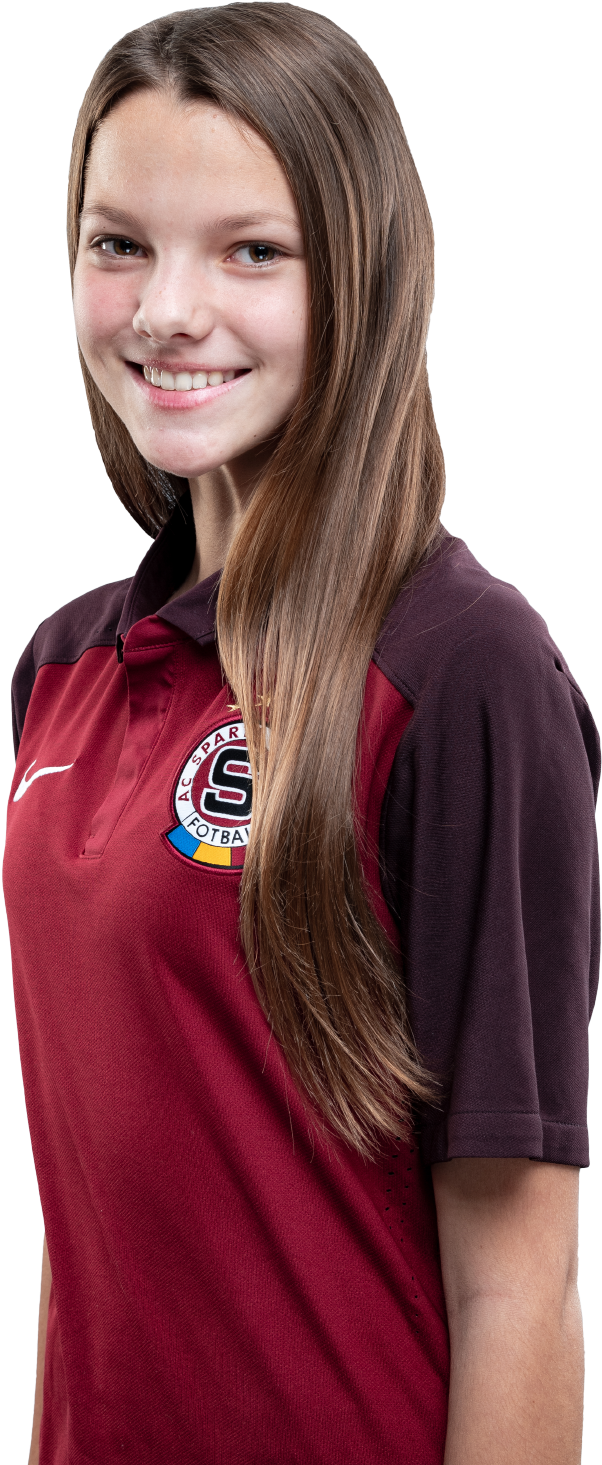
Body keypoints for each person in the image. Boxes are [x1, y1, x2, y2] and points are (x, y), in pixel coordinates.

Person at [4, 7, 598, 1463]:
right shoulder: (62, 669)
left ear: (365, 275)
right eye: (120, 243)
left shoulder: (462, 668)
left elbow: (517, 1281)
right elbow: (87, 1226)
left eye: (251, 251)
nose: (167, 311)